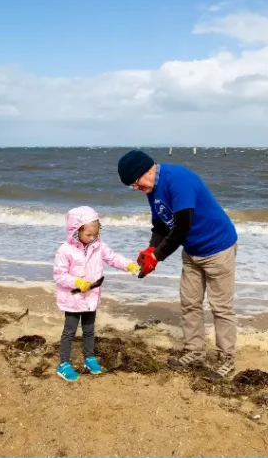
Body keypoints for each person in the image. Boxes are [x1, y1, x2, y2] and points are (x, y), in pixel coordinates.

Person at [117, 150, 239, 380]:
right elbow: (161, 226)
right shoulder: (151, 189)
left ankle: (226, 358)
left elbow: (182, 226)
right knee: (189, 302)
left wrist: (158, 257)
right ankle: (194, 350)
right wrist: (151, 249)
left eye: (135, 182)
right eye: (131, 186)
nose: (135, 188)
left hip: (218, 247)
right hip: (192, 250)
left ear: (147, 170)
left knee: (220, 307)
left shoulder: (179, 180)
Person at [53, 206, 139, 382]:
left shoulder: (98, 246)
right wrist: (76, 282)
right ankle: (63, 364)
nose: (92, 238)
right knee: (69, 331)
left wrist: (128, 264)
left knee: (89, 329)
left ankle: (89, 358)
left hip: (91, 296)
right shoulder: (65, 250)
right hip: (73, 297)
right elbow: (59, 275)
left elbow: (113, 257)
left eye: (95, 234)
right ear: (75, 232)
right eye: (88, 235)